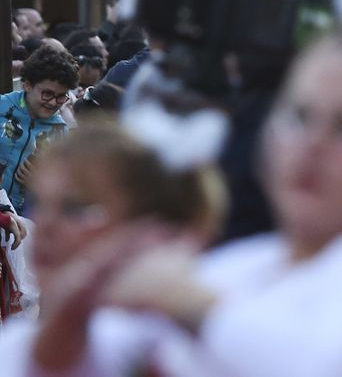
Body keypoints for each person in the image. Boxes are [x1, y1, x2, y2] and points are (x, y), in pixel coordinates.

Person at [15, 0, 342, 377]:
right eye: (299, 117)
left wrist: (181, 296)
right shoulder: (246, 267)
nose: (311, 147)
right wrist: (73, 317)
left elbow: (333, 363)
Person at [0, 120, 224, 348]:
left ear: (151, 227)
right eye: (39, 202)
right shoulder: (17, 344)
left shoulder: (176, 347)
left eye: (74, 208)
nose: (45, 224)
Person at [0, 46, 79, 213]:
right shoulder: (2, 107)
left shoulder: (60, 130)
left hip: (23, 220)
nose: (52, 102)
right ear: (27, 85)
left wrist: (38, 183)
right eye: (47, 93)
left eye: (60, 96)